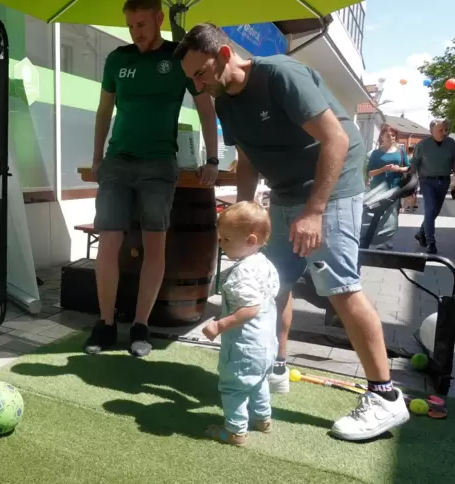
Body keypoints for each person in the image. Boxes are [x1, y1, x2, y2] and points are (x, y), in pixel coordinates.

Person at [176, 23, 410, 441]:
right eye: (191, 78)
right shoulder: (224, 102)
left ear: (225, 55)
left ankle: (385, 396)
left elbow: (335, 140)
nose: (198, 84)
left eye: (201, 73)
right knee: (273, 281)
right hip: (283, 194)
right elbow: (247, 159)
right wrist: (242, 215)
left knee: (338, 287)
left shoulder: (280, 74)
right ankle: (274, 365)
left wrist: (315, 210)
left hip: (330, 190)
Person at [85, 0, 219, 358]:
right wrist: (97, 157)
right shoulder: (117, 59)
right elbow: (104, 110)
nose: (136, 33)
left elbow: (206, 108)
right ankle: (106, 323)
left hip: (159, 165)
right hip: (117, 162)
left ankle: (141, 325)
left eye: (142, 25)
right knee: (109, 242)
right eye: (131, 27)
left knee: (154, 245)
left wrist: (213, 158)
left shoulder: (179, 61)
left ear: (159, 19)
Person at [201, 201, 279, 446]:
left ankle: (235, 431)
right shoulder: (265, 264)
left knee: (233, 386)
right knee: (258, 381)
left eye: (226, 239)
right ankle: (263, 418)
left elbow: (249, 309)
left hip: (245, 345)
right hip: (267, 343)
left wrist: (220, 325)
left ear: (250, 240)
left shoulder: (243, 272)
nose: (220, 244)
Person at [411, 119, 455, 254]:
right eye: (441, 130)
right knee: (430, 210)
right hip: (427, 182)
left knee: (434, 212)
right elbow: (414, 164)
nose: (444, 132)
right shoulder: (423, 145)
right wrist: (413, 184)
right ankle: (431, 242)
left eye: (446, 130)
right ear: (432, 131)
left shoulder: (451, 144)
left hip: (444, 181)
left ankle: (420, 233)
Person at [365, 124, 409, 249]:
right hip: (378, 188)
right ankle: (375, 238)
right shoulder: (376, 153)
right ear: (382, 138)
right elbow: (370, 172)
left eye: (394, 136)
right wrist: (383, 169)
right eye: (388, 136)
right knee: (378, 213)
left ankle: (387, 239)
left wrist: (398, 169)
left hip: (394, 187)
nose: (392, 138)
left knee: (392, 214)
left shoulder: (400, 152)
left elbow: (408, 168)